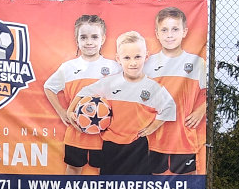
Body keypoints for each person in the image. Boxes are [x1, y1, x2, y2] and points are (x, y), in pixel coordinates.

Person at [69, 31, 176, 175]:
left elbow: (170, 106)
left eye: (137, 57)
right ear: (118, 59)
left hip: (138, 145)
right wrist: (70, 110)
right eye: (127, 58)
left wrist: (154, 126)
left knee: (138, 184)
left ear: (146, 56)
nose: (133, 62)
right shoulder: (110, 82)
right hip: (110, 145)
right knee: (109, 184)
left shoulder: (153, 87)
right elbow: (84, 91)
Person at [44, 14, 121, 175]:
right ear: (77, 39)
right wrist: (61, 111)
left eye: (94, 37)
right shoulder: (68, 67)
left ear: (103, 39)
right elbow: (49, 87)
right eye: (83, 37)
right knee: (73, 167)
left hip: (105, 133)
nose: (89, 42)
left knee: (104, 169)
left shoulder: (114, 67)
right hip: (76, 131)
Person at [143, 6, 207, 175]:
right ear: (157, 34)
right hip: (155, 137)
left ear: (184, 32)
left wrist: (202, 109)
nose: (169, 35)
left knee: (189, 184)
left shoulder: (197, 62)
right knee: (156, 184)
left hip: (185, 136)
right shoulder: (147, 64)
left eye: (175, 29)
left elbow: (211, 94)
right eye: (164, 30)